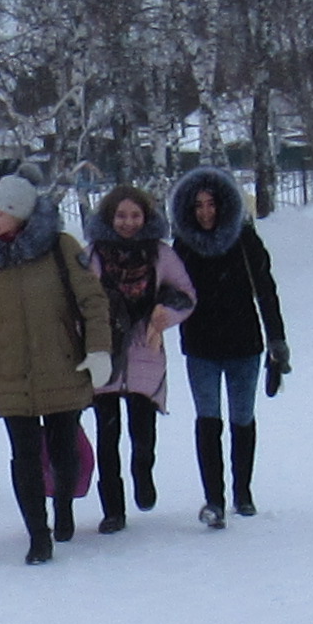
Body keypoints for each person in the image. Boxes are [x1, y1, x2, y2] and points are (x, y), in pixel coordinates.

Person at [0, 174, 111, 564]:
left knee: (63, 450)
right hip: (12, 374)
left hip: (62, 367)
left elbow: (93, 301)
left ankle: (63, 507)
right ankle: (38, 536)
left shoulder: (61, 247)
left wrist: (99, 351)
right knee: (24, 457)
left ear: (19, 213)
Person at [166, 164, 291, 522]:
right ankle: (214, 500)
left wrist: (277, 339)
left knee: (242, 418)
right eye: (198, 206)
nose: (205, 212)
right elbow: (171, 291)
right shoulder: (184, 245)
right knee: (208, 420)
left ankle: (243, 493)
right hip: (201, 347)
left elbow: (265, 291)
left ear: (224, 205)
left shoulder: (244, 239)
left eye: (211, 204)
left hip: (244, 345)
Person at [83, 182, 196, 533]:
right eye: (121, 215)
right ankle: (112, 510)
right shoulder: (93, 256)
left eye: (135, 215)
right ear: (109, 217)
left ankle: (142, 473)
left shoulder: (160, 254)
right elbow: (79, 301)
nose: (128, 222)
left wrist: (166, 314)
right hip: (106, 355)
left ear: (146, 218)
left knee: (142, 432)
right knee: (107, 437)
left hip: (146, 352)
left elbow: (186, 294)